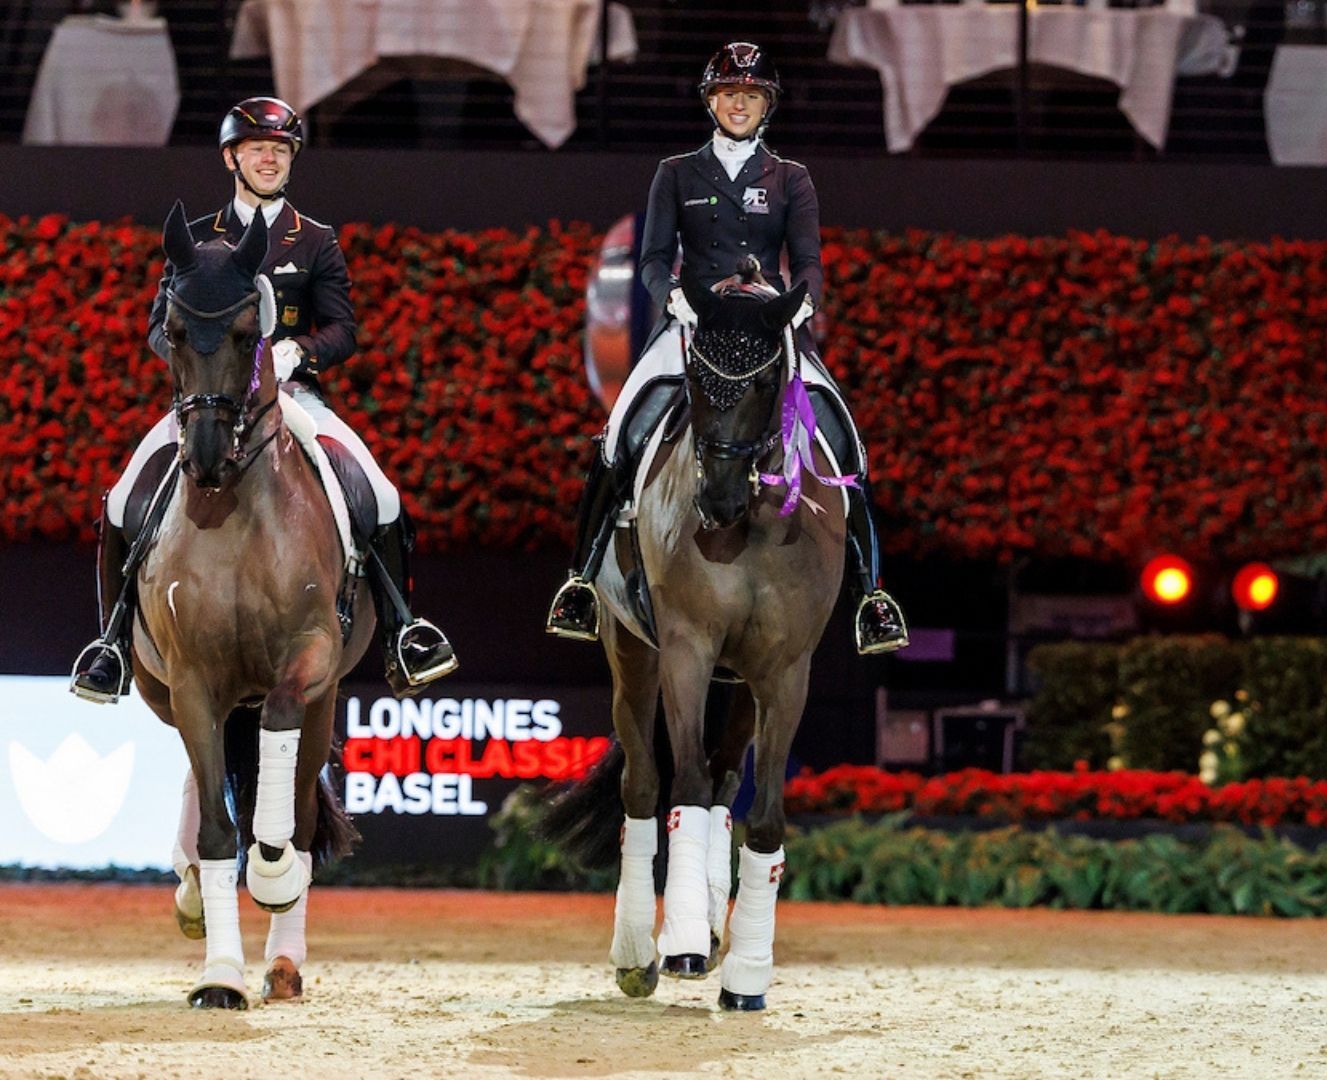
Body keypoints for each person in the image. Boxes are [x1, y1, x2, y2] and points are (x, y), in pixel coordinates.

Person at [71, 95, 457, 702]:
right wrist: (199, 361)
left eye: (279, 150)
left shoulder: (316, 240)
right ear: (233, 158)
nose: (270, 160)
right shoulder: (196, 239)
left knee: (380, 493)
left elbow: (343, 329)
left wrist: (298, 351)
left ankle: (402, 633)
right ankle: (112, 644)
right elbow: (157, 326)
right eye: (257, 150)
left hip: (293, 394)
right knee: (122, 500)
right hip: (209, 398)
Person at [545, 41, 909, 655]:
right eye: (728, 93)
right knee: (619, 431)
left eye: (751, 94)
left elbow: (810, 261)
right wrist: (672, 298)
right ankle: (580, 581)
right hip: (695, 321)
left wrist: (804, 302)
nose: (739, 104)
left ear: (767, 104)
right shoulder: (676, 173)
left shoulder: (791, 177)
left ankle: (872, 595)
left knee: (844, 437)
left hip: (767, 326)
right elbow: (653, 258)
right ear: (711, 101)